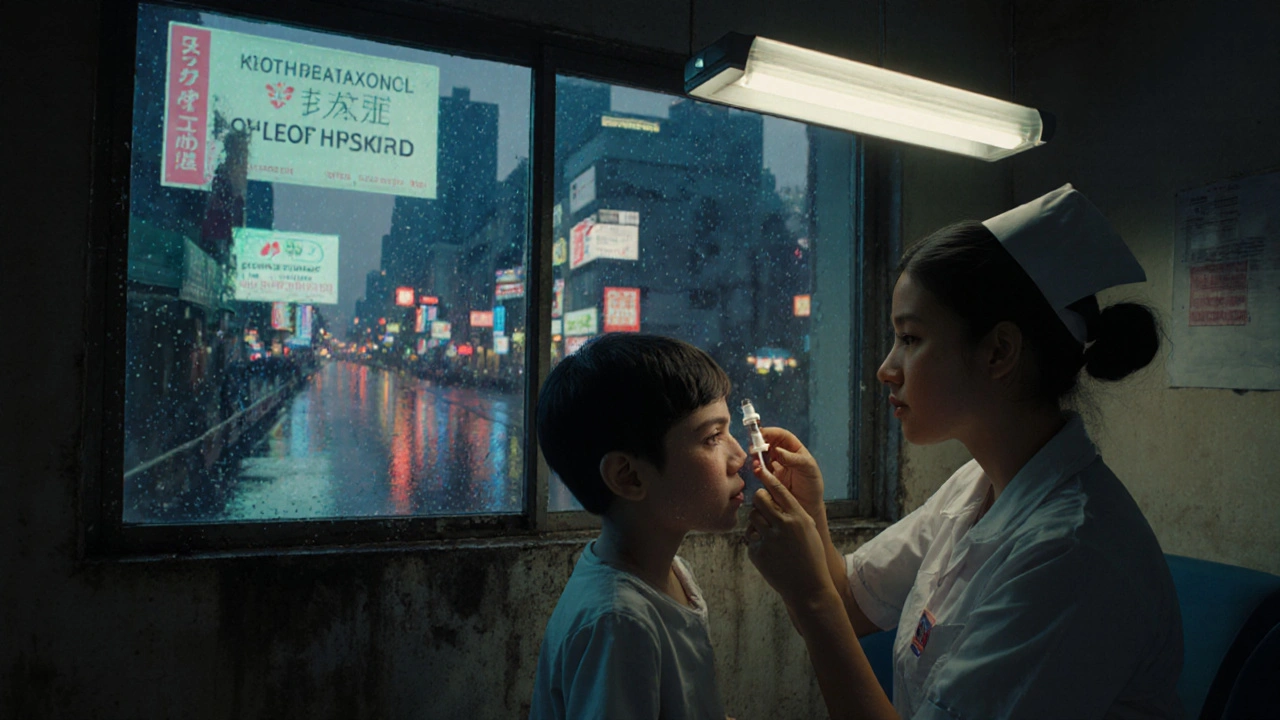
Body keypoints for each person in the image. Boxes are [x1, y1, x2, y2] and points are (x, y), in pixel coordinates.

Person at [743, 184, 1184, 719]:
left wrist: (810, 599)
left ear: (999, 351)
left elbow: (828, 605)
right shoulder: (979, 484)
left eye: (910, 339)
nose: (886, 368)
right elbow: (854, 604)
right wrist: (811, 513)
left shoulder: (1071, 553)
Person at [529, 333, 747, 720]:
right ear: (628, 476)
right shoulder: (620, 622)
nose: (739, 456)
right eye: (713, 437)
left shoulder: (670, 572)